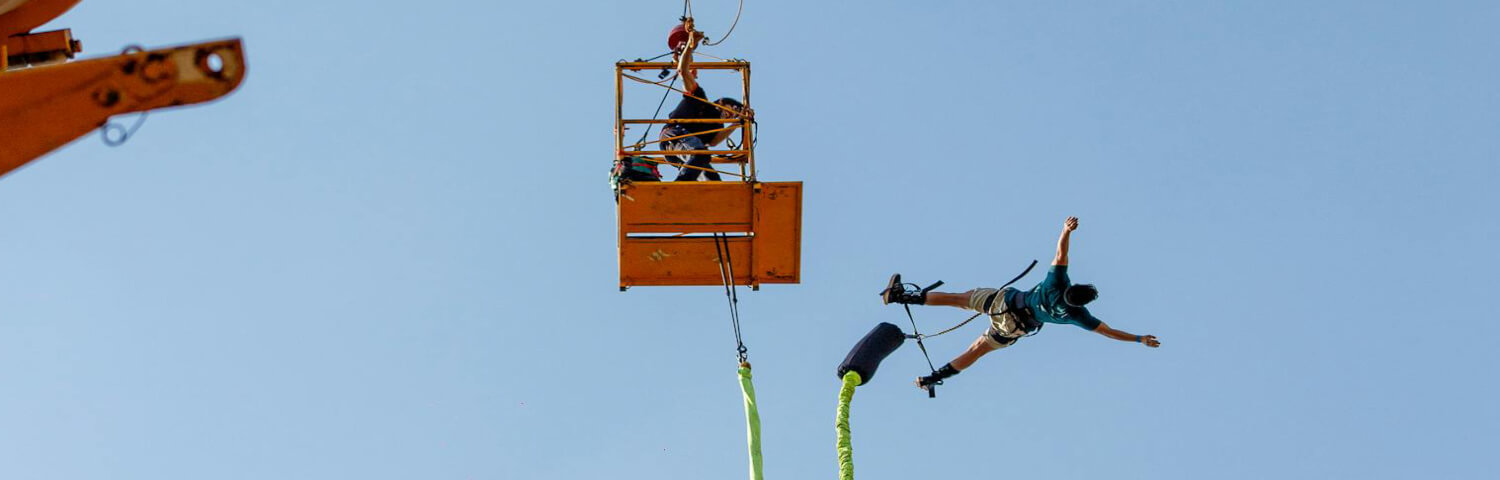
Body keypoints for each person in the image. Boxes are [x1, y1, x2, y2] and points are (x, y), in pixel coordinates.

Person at [879, 216, 1161, 391]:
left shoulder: (1057, 283)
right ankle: (933, 378)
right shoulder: (1078, 316)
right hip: (1015, 328)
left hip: (1003, 304)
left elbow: (1060, 253)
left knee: (960, 300)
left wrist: (1066, 230)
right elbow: (1108, 332)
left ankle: (901, 296)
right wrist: (1139, 339)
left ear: (1072, 287)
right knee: (977, 351)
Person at [660, 18, 753, 182]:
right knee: (700, 154)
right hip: (675, 136)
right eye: (730, 111)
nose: (729, 115)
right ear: (721, 105)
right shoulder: (700, 99)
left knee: (712, 178)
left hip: (684, 149)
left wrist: (738, 123)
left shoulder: (715, 125)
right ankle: (679, 187)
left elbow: (715, 141)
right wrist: (690, 45)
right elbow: (683, 71)